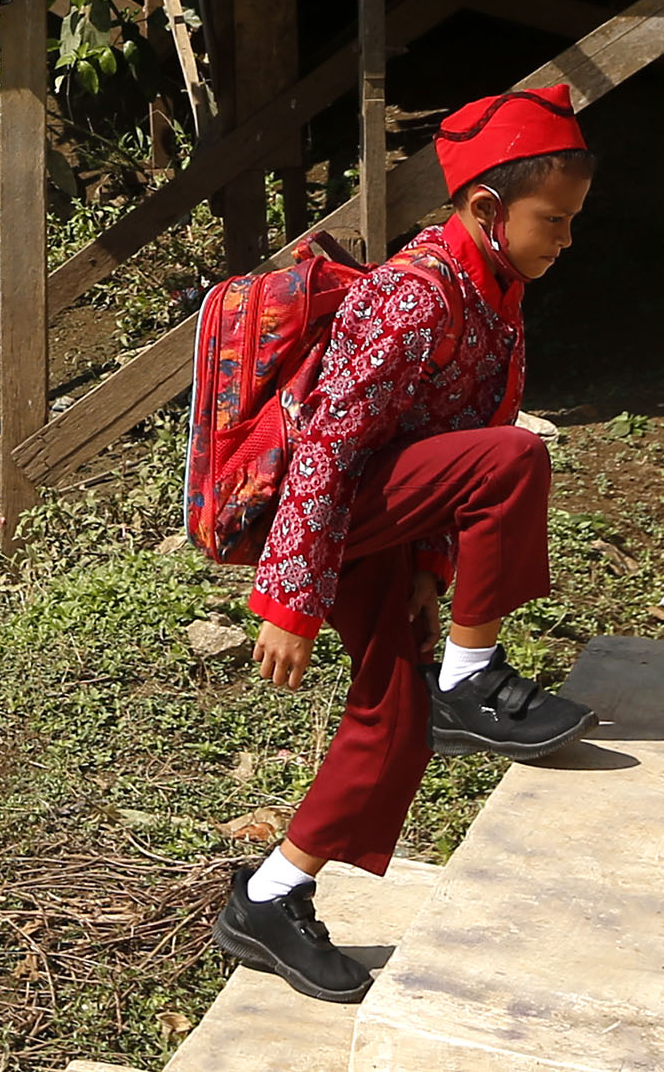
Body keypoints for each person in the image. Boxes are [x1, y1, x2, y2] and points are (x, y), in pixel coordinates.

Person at [211, 86, 601, 1005]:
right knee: (515, 457)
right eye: (555, 220)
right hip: (321, 515)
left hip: (383, 519)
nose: (566, 241)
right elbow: (331, 447)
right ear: (485, 210)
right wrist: (289, 604)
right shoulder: (414, 295)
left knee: (395, 722)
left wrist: (429, 570)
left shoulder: (494, 291)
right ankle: (471, 677)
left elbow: (443, 438)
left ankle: (270, 896)